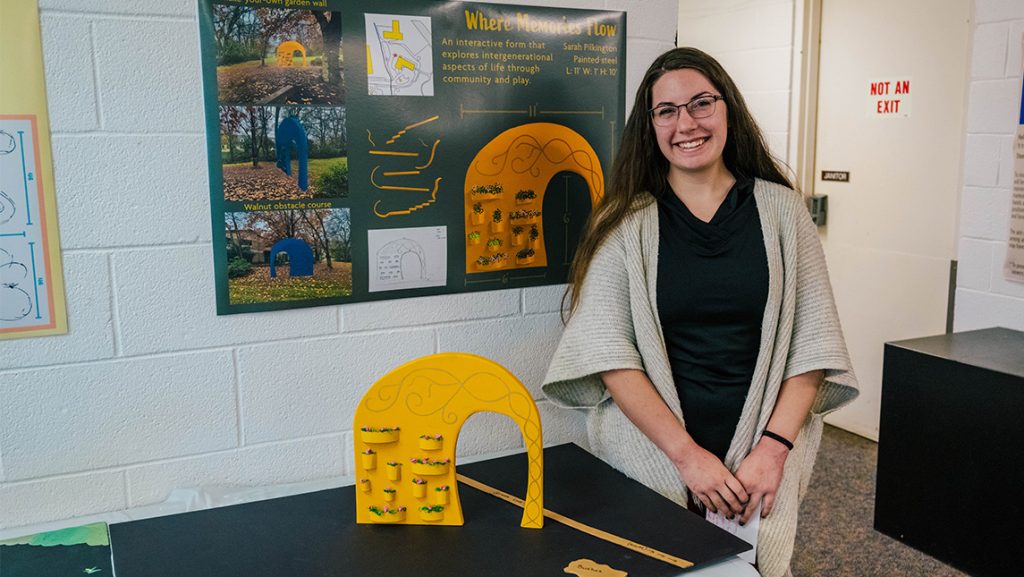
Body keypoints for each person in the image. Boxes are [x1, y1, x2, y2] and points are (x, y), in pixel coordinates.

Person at [542, 47, 859, 577]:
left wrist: (774, 451)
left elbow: (813, 344)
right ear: (651, 127)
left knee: (748, 570)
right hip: (654, 451)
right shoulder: (625, 223)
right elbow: (608, 353)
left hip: (763, 447)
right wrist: (687, 457)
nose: (685, 123)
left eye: (700, 104)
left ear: (727, 109)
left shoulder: (783, 212)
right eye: (666, 111)